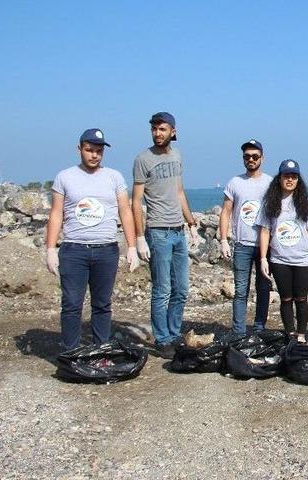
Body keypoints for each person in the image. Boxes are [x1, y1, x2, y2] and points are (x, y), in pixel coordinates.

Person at [45, 129, 140, 352]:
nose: (94, 155)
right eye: (89, 150)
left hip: (106, 250)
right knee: (71, 304)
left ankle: (101, 351)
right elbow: (56, 213)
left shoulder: (114, 177)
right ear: (80, 149)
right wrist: (50, 248)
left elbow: (125, 211)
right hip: (74, 250)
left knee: (102, 305)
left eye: (98, 151)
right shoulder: (65, 177)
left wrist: (132, 246)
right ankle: (71, 352)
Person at [131, 112, 200, 359]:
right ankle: (162, 339)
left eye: (162, 129)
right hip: (158, 231)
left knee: (181, 288)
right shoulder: (143, 159)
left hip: (178, 231)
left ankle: (173, 332)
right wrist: (139, 237)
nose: (158, 133)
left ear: (173, 131)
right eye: (154, 129)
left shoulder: (177, 155)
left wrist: (190, 221)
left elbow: (179, 191)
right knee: (162, 288)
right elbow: (136, 201)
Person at [218, 139, 274, 336]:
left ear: (262, 158)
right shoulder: (235, 182)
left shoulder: (270, 182)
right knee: (241, 291)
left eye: (255, 156)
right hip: (241, 244)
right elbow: (226, 211)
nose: (251, 159)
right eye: (247, 156)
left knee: (263, 289)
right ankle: (239, 332)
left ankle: (260, 329)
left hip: (265, 247)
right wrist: (223, 239)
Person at [258, 160, 308, 342]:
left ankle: (301, 335)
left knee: (301, 299)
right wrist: (263, 258)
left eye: (294, 176)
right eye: (286, 176)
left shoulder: (305, 202)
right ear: (280, 178)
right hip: (279, 260)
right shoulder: (270, 202)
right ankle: (290, 334)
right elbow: (265, 230)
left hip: (303, 260)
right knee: (286, 299)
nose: (290, 180)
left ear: (298, 179)